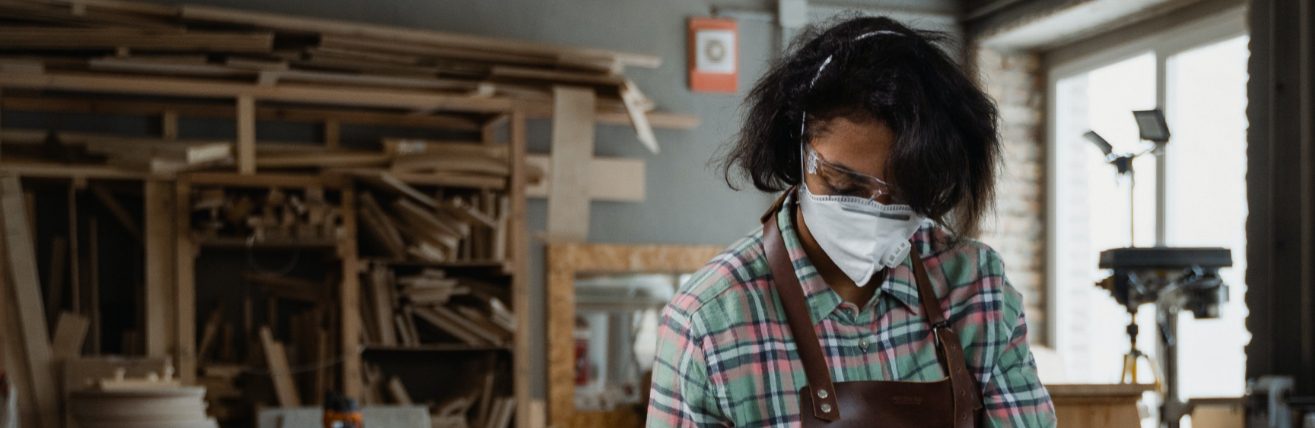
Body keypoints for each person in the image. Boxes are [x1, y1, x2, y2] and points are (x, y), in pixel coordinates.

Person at [647, 16, 1056, 427]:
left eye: (903, 195)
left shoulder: (977, 288)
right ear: (798, 146)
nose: (874, 211)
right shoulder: (708, 324)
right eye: (843, 183)